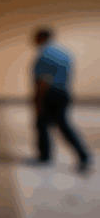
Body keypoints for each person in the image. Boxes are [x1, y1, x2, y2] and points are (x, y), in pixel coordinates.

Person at [32, 27, 91, 174]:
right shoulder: (64, 53)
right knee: (54, 124)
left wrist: (38, 100)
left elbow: (43, 80)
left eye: (35, 37)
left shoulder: (43, 53)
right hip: (63, 93)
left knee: (49, 124)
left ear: (41, 37)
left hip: (49, 94)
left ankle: (81, 155)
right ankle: (79, 155)